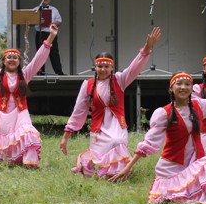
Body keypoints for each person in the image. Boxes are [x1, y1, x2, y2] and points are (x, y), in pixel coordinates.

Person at [110, 72, 206, 204]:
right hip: (172, 167)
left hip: (194, 162)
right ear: (171, 88)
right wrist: (127, 167)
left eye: (187, 84)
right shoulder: (163, 113)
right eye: (179, 84)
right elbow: (149, 143)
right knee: (173, 199)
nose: (183, 87)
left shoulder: (199, 106)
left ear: (192, 89)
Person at [60, 27, 162, 178]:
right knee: (98, 162)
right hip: (98, 127)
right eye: (100, 66)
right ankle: (95, 169)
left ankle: (118, 171)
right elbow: (79, 112)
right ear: (95, 67)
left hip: (116, 124)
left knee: (117, 140)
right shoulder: (87, 85)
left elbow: (135, 67)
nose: (103, 69)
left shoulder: (119, 80)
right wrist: (65, 137)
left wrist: (147, 47)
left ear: (112, 67)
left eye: (106, 66)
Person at [0, 20, 57, 167]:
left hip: (20, 111)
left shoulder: (25, 74)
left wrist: (51, 36)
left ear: (19, 61)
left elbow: (38, 60)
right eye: (9, 57)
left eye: (15, 58)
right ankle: (10, 159)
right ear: (4, 61)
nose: (12, 60)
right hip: (2, 113)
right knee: (6, 138)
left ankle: (29, 161)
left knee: (27, 132)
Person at [34, 0, 64, 75]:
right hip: (40, 33)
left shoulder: (54, 9)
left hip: (51, 33)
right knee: (40, 53)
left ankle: (59, 72)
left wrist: (53, 23)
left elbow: (59, 21)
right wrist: (37, 20)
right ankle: (40, 72)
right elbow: (30, 22)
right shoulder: (36, 9)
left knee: (54, 53)